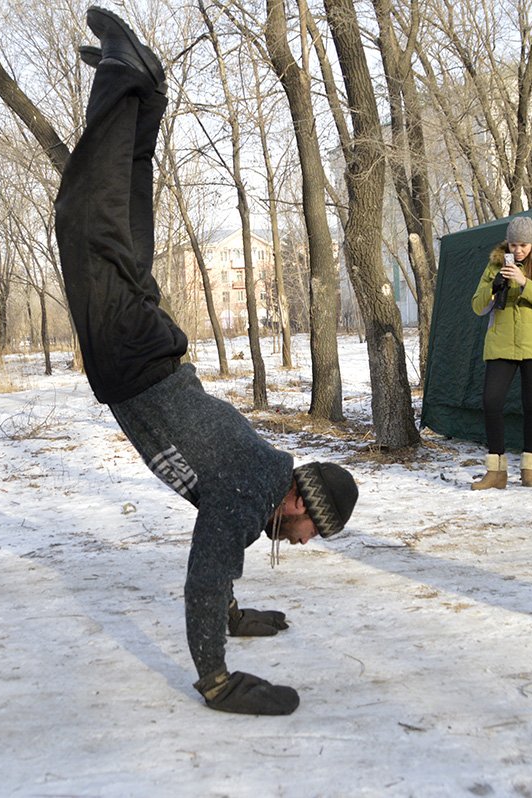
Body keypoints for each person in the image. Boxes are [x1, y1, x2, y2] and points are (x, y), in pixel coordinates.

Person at [54, 8, 358, 716]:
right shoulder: (254, 489)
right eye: (319, 530)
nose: (311, 542)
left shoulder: (256, 489)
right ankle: (127, 82)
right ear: (303, 505)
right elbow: (206, 568)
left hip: (149, 353)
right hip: (134, 359)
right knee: (84, 220)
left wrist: (233, 614)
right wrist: (216, 676)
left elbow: (227, 549)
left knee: (123, 228)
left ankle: (143, 93)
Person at [469, 215, 532, 489]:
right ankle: (496, 471)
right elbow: (477, 306)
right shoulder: (494, 264)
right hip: (501, 343)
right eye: (513, 244)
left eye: (523, 245)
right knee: (492, 401)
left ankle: (529, 471)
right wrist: (493, 287)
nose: (518, 250)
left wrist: (524, 282)